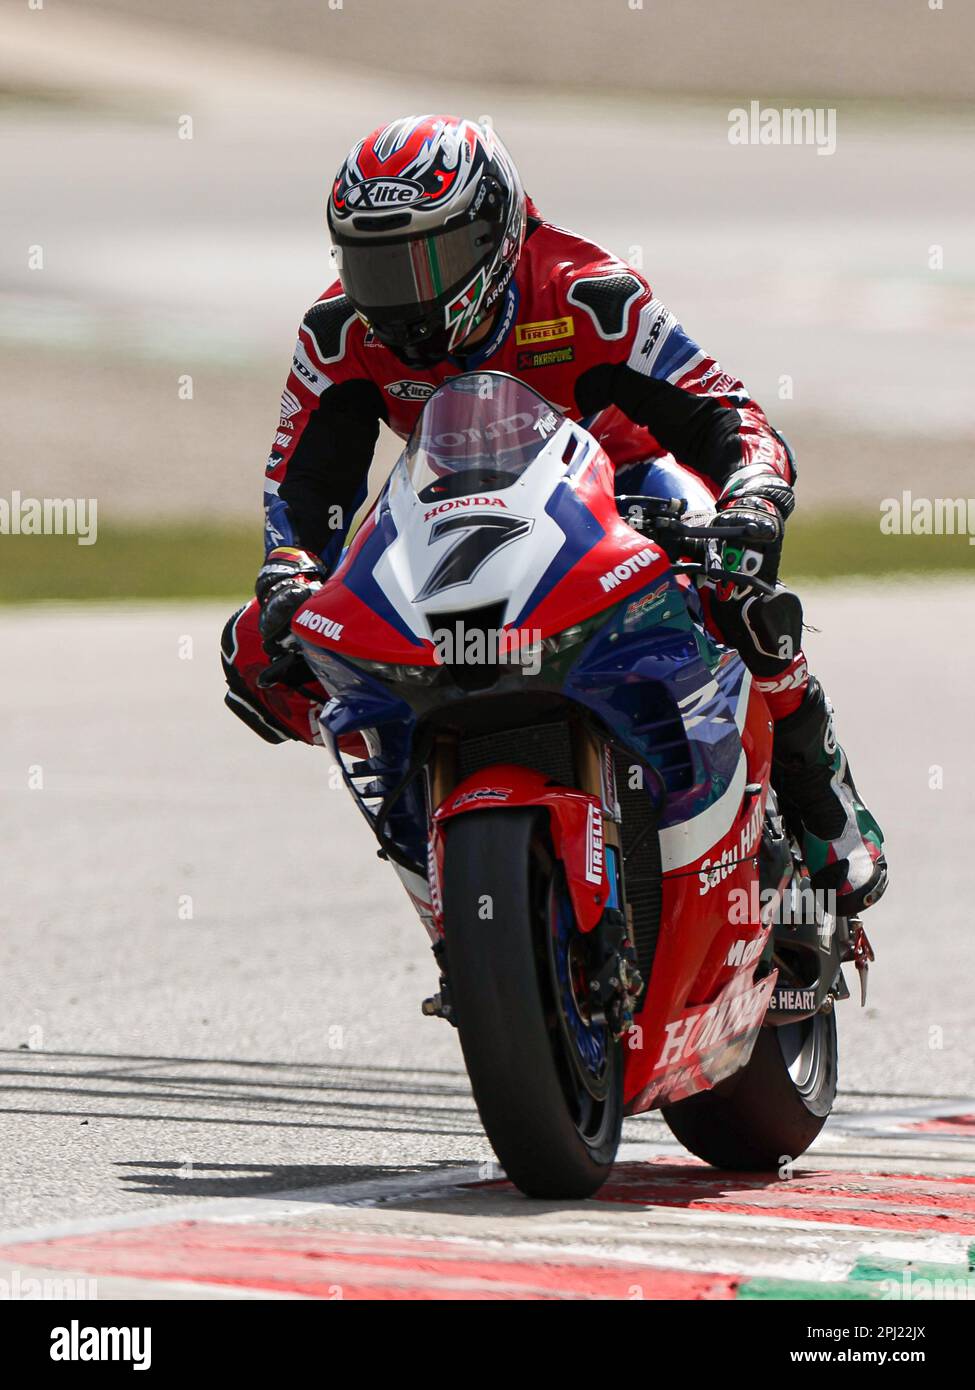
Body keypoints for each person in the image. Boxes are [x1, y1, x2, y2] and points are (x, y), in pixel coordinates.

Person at [221, 114, 887, 917]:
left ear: (494, 231)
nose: (404, 296)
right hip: (444, 514)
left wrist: (752, 494)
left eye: (428, 257)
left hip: (624, 493)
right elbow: (301, 483)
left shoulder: (587, 292)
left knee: (737, 594)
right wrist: (293, 571)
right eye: (375, 265)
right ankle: (426, 823)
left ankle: (825, 810)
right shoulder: (338, 333)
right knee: (261, 643)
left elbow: (721, 410)